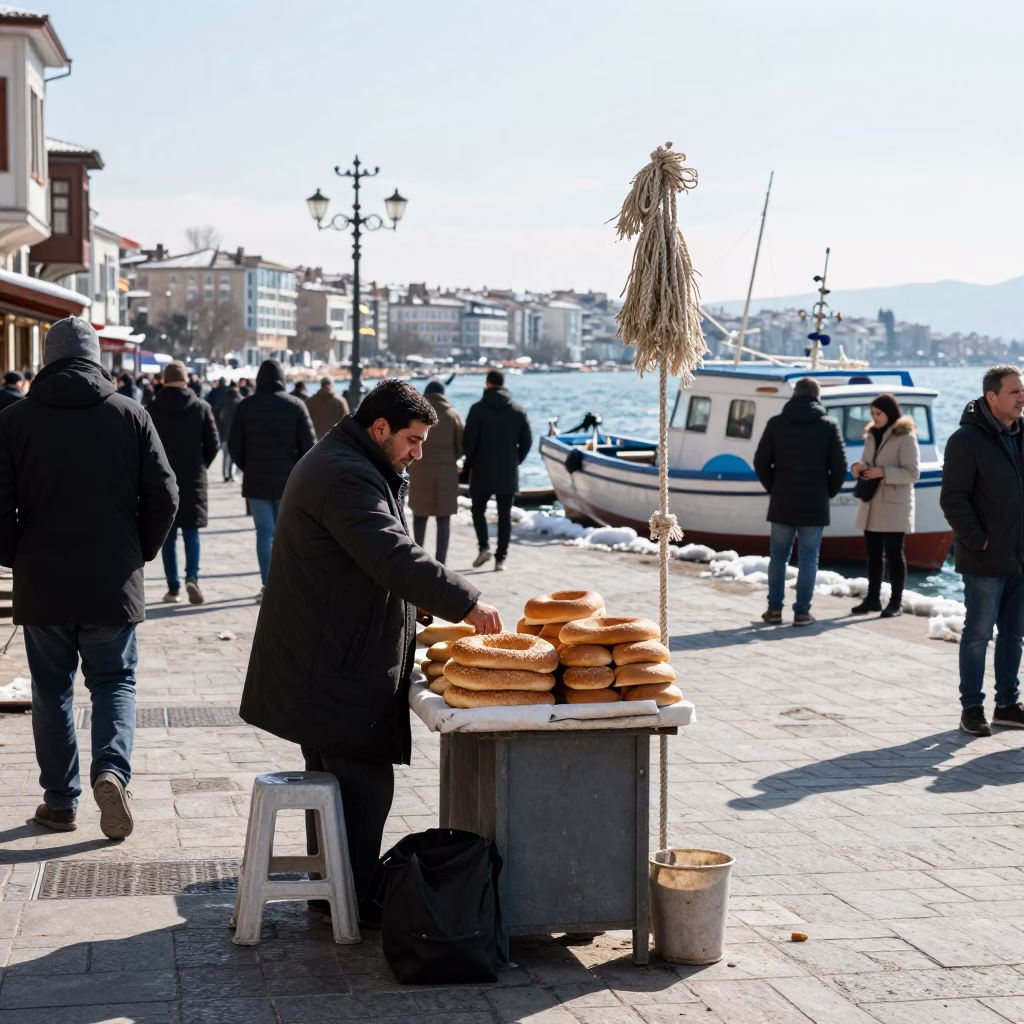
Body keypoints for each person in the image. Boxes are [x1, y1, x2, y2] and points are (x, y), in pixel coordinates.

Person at [239, 378, 500, 920]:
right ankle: (348, 900)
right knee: (362, 783)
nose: (419, 452)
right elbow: (390, 553)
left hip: (325, 654)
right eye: (412, 439)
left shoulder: (353, 462)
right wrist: (465, 603)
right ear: (379, 428)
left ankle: (330, 890)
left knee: (336, 783)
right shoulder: (344, 474)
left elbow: (367, 559)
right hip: (329, 664)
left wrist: (414, 607)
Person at [0, 317, 178, 837]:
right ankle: (111, 771)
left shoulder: (15, 420)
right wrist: (137, 552)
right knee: (114, 681)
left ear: (48, 359)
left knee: (51, 690)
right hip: (111, 578)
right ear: (96, 358)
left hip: (44, 580)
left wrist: (16, 556)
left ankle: (60, 802)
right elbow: (165, 496)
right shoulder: (130, 414)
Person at [940, 364, 1024, 737]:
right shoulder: (965, 440)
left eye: (1022, 391)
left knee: (1014, 634)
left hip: (1020, 555)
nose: (1022, 398)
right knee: (977, 634)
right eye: (1014, 392)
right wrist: (980, 540)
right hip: (985, 557)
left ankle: (1007, 705)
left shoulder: (1022, 436)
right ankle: (972, 708)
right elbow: (953, 499)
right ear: (992, 397)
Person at [753, 377, 847, 626]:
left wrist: (773, 487)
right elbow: (840, 466)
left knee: (778, 557)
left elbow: (761, 462)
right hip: (815, 503)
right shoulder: (828, 426)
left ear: (793, 396)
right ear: (818, 398)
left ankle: (774, 610)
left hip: (782, 500)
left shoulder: (776, 424)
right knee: (808, 557)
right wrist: (829, 492)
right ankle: (802, 612)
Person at [228, 359, 315, 601]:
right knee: (285, 534)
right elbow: (310, 447)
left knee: (264, 533)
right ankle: (285, 581)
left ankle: (268, 584)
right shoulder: (296, 405)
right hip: (288, 482)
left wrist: (249, 466)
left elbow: (235, 445)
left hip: (256, 480)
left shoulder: (246, 406)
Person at [148, 360, 220, 605]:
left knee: (168, 535)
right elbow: (213, 443)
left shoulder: (153, 408)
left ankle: (174, 587)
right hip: (193, 478)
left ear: (164, 381)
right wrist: (200, 466)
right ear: (187, 381)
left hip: (163, 479)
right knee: (192, 532)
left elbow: (144, 446)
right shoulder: (201, 407)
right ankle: (192, 577)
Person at [850, 394, 920, 618]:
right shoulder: (872, 435)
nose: (874, 417)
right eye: (872, 414)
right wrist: (859, 467)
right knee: (872, 553)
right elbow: (867, 462)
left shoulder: (906, 437)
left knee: (894, 553)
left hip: (894, 505)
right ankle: (872, 599)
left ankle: (896, 602)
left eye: (878, 413)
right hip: (872, 502)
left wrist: (883, 472)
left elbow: (912, 473)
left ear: (889, 412)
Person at [463, 369, 531, 571]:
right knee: (504, 515)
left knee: (478, 510)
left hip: (482, 470)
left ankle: (484, 546)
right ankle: (501, 559)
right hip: (507, 471)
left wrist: (469, 466)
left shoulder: (477, 410)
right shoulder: (518, 410)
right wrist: (515, 461)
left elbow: (469, 443)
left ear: (487, 383)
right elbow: (527, 441)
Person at [408, 380, 463, 564]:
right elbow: (461, 446)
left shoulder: (416, 417)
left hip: (420, 471)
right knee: (443, 518)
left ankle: (418, 559)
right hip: (446, 473)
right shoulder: (452, 415)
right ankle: (441, 563)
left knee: (420, 516)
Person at [304, 376, 350, 440]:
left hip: (316, 442)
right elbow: (347, 424)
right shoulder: (340, 401)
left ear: (321, 385)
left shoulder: (309, 402)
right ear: (332, 385)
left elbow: (305, 424)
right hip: (335, 441)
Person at [215, 382, 242, 482]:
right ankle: (231, 474)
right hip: (235, 434)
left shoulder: (223, 400)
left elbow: (216, 415)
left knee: (225, 455)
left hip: (224, 433)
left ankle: (225, 475)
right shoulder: (240, 400)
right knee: (233, 456)